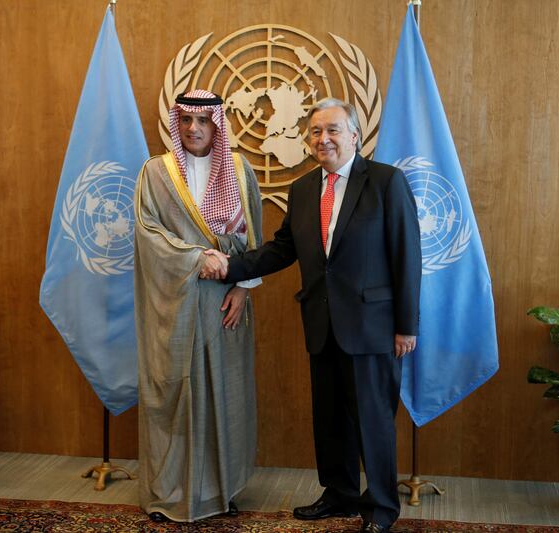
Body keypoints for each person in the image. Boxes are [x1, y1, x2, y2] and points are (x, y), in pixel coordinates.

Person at [206, 98, 421, 533]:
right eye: (316, 132)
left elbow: (407, 256)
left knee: (373, 422)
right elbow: (284, 248)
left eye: (333, 130)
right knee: (330, 419)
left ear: (355, 135)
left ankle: (381, 508)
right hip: (321, 326)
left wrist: (406, 326)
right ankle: (338, 494)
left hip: (372, 327)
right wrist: (232, 266)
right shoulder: (303, 189)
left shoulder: (385, 182)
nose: (324, 139)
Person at [133, 89, 262, 522]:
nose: (193, 129)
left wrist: (243, 288)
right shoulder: (155, 172)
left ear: (217, 125)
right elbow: (147, 233)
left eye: (203, 121)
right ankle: (169, 494)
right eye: (186, 120)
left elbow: (253, 239)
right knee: (175, 392)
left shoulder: (241, 170)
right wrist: (195, 258)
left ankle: (221, 492)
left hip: (226, 299)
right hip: (175, 300)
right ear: (177, 123)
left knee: (223, 393)